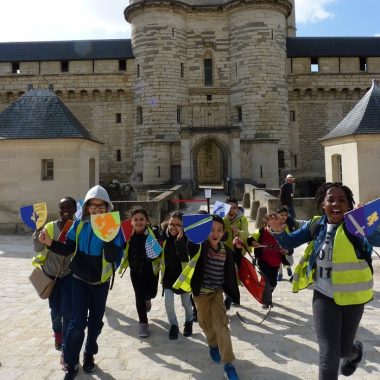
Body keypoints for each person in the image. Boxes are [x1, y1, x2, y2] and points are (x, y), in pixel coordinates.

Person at [268, 182, 380, 380]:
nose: (336, 203)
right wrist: (278, 231)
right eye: (331, 199)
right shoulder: (316, 224)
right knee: (329, 354)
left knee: (343, 350)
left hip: (354, 299)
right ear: (323, 204)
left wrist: (368, 225)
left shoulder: (356, 225)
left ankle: (355, 353)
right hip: (324, 297)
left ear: (349, 205)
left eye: (342, 200)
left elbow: (377, 240)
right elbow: (290, 242)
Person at [39, 185, 124, 380]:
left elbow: (112, 257)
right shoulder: (78, 225)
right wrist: (50, 243)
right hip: (78, 280)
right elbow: (68, 248)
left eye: (100, 205)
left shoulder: (115, 228)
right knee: (76, 323)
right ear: (86, 207)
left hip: (100, 282)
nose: (96, 209)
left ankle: (89, 354)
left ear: (107, 207)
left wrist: (108, 234)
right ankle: (70, 362)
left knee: (95, 323)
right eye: (92, 205)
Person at [174, 214, 241, 380]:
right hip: (201, 294)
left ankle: (228, 363)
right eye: (211, 230)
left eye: (219, 230)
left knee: (222, 326)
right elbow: (187, 251)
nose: (215, 233)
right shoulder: (200, 246)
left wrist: (238, 248)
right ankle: (212, 344)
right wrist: (182, 240)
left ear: (223, 232)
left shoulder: (226, 250)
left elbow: (234, 267)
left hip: (217, 293)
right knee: (205, 322)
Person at [32, 197, 77, 351]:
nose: (66, 210)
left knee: (68, 310)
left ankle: (65, 338)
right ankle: (57, 334)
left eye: (69, 207)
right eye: (62, 207)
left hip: (69, 275)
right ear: (58, 210)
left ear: (75, 209)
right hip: (51, 275)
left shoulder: (78, 227)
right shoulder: (50, 227)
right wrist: (38, 229)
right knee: (56, 309)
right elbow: (38, 247)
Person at [119, 206, 160, 338]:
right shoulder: (128, 236)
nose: (138, 222)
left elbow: (158, 252)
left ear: (147, 221)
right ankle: (143, 323)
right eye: (135, 219)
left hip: (151, 270)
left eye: (141, 219)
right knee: (139, 296)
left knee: (152, 293)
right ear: (131, 221)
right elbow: (121, 248)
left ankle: (148, 298)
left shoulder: (154, 232)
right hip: (135, 271)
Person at [159, 211, 193, 340]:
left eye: (178, 225)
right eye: (171, 224)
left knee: (186, 303)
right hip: (168, 276)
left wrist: (179, 241)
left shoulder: (188, 240)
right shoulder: (163, 238)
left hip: (183, 277)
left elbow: (185, 259)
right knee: (168, 302)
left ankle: (189, 322)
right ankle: (173, 325)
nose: (173, 227)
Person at [245, 217, 286, 308]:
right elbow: (249, 240)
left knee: (273, 283)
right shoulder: (260, 232)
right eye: (269, 226)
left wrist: (286, 250)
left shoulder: (282, 234)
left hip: (276, 263)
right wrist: (254, 243)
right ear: (265, 226)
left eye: (275, 226)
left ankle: (268, 296)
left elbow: (290, 247)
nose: (272, 229)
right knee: (266, 281)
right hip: (263, 261)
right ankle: (265, 300)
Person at [222, 196, 249, 309]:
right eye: (229, 207)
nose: (231, 210)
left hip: (237, 252)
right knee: (226, 276)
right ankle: (230, 297)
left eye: (234, 208)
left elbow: (246, 234)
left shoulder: (242, 219)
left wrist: (238, 231)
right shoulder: (222, 219)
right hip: (223, 251)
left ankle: (231, 298)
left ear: (237, 209)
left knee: (233, 275)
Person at [276, 206, 296, 281]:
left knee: (289, 261)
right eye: (281, 215)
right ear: (277, 215)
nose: (284, 217)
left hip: (288, 246)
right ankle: (280, 274)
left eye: (285, 215)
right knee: (278, 261)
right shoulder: (274, 224)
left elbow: (293, 235)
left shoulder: (289, 223)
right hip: (278, 246)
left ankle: (288, 267)